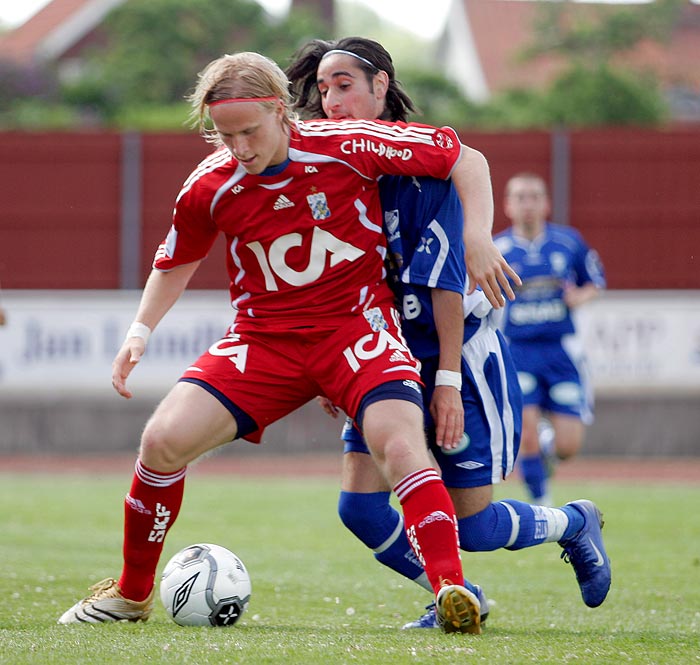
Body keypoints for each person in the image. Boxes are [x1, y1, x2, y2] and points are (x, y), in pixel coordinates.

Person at [57, 50, 515, 634]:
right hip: (264, 342)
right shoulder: (210, 184)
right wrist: (139, 333)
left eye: (249, 130)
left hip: (355, 330)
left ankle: (453, 590)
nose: (240, 147)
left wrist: (476, 236)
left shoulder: (347, 144)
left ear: (279, 110)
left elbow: (464, 158)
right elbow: (176, 260)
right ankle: (130, 593)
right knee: (161, 440)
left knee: (399, 446)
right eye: (225, 136)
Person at [286, 36, 612, 629]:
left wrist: (445, 380)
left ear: (381, 86)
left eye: (345, 86)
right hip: (377, 359)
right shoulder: (328, 175)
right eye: (324, 89)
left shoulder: (418, 168)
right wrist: (333, 366)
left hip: (453, 355)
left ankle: (571, 522)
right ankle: (453, 593)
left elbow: (443, 285)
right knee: (359, 509)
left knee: (474, 526)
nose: (331, 101)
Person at [494, 173, 606, 506]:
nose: (527, 204)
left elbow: (594, 282)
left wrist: (579, 297)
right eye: (520, 197)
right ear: (507, 205)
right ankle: (542, 506)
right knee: (525, 430)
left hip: (561, 352)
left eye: (534, 197)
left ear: (546, 204)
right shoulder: (497, 248)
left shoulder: (568, 242)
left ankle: (547, 451)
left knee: (568, 447)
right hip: (519, 352)